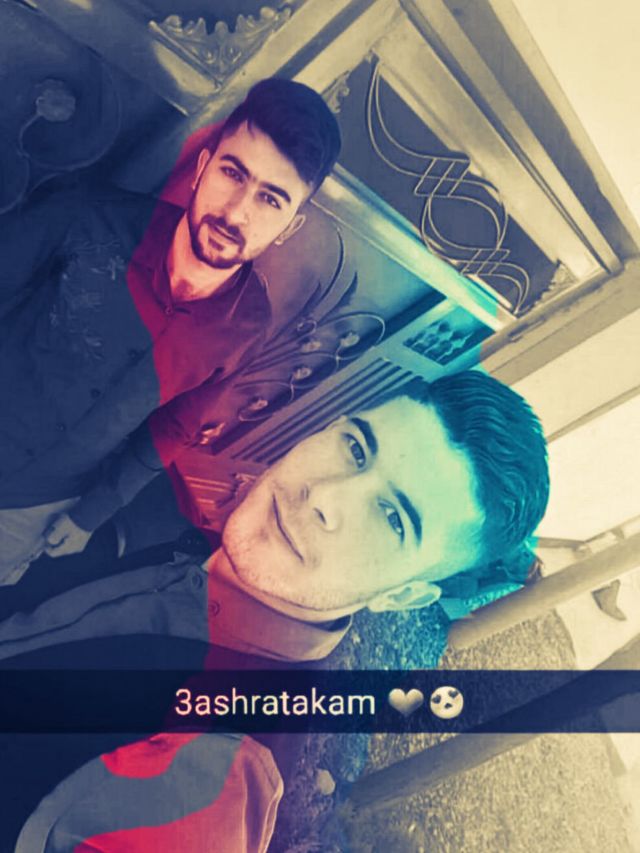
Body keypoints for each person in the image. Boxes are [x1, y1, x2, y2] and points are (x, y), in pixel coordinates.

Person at [0, 78, 342, 584]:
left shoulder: (248, 326)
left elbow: (175, 427)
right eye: (233, 173)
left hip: (38, 506)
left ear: (289, 225)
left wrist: (92, 514)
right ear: (203, 167)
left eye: (271, 199)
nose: (237, 211)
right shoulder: (88, 215)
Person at [0, 370, 550, 663]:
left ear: (403, 596)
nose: (325, 496)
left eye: (392, 517)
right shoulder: (208, 551)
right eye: (356, 448)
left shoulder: (199, 769)